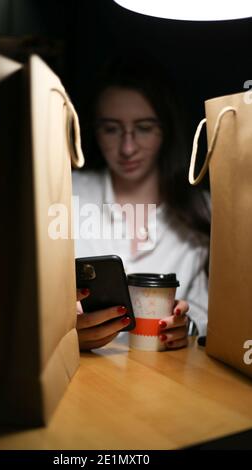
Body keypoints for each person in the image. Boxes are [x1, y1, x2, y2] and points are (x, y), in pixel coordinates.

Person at [72, 54, 210, 351]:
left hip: (161, 382)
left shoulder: (201, 210)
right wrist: (63, 329)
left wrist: (184, 328)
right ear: (95, 131)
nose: (128, 147)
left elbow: (206, 318)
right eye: (111, 128)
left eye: (144, 128)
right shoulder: (66, 193)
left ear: (166, 129)